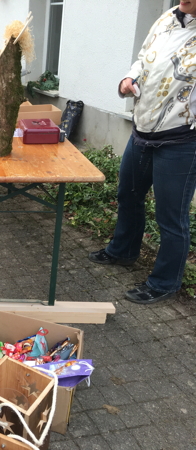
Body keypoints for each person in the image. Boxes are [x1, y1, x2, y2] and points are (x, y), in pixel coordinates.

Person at [88, 2, 196, 305]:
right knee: (129, 195)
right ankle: (123, 251)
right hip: (142, 130)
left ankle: (164, 282)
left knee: (171, 217)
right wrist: (129, 79)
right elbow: (142, 60)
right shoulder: (168, 18)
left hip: (181, 141)